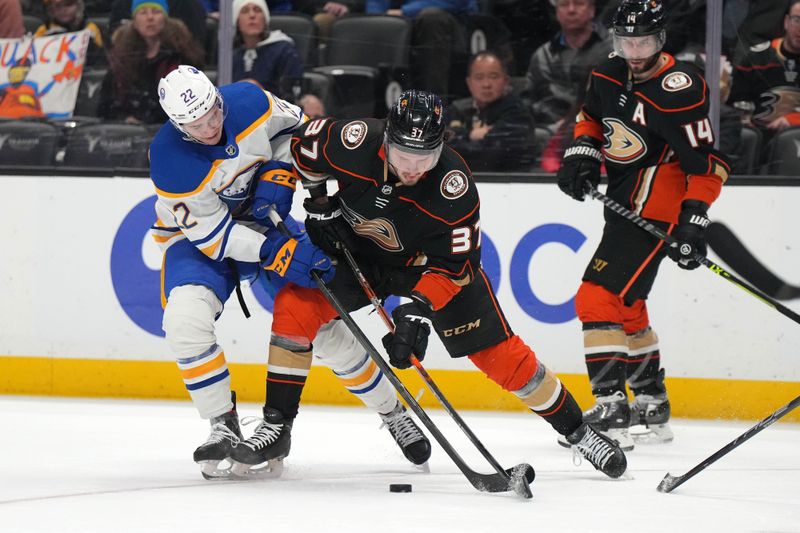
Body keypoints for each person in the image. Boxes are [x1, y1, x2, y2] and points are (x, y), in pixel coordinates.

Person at [233, 89, 629, 479]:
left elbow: (455, 266)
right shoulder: (351, 139)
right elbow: (304, 150)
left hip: (429, 269)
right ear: (386, 139)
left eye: (425, 157)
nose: (412, 168)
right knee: (294, 307)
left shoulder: (453, 188)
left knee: (501, 356)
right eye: (404, 155)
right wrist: (319, 204)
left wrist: (416, 310)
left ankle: (578, 432)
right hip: (361, 255)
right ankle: (277, 428)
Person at [149, 66, 430, 479]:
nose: (211, 126)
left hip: (265, 223)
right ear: (177, 124)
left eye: (213, 112)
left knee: (320, 326)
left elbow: (301, 132)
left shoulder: (249, 100)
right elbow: (214, 239)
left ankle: (393, 411)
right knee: (184, 321)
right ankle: (222, 425)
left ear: (218, 98)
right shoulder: (170, 160)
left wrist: (280, 172)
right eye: (197, 123)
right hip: (200, 241)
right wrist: (273, 251)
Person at [555, 0, 731, 450]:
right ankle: (651, 403)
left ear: (661, 40)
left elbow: (707, 164)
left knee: (595, 297)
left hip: (657, 210)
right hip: (622, 204)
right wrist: (581, 154)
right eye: (626, 41)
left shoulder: (680, 88)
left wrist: (692, 220)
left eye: (645, 41)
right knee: (627, 305)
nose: (634, 50)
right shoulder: (606, 73)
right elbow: (590, 119)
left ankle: (611, 404)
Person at [98, 0, 204, 124]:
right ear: (134, 21)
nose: (150, 18)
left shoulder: (182, 56)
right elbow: (106, 105)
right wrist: (124, 119)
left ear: (165, 18)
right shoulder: (121, 57)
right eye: (143, 13)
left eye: (156, 12)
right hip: (127, 132)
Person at [366, 0, 476, 102]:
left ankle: (433, 106)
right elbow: (375, 5)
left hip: (450, 22)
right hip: (405, 23)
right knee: (376, 23)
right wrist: (377, 16)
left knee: (432, 18)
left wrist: (405, 11)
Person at [523, 0, 611, 127]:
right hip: (548, 133)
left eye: (579, 4)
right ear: (557, 12)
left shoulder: (615, 50)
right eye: (564, 4)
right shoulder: (543, 55)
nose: (571, 10)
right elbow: (527, 101)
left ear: (592, 10)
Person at [447, 51, 536, 172]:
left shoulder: (517, 113)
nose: (486, 84)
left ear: (506, 81)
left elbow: (488, 156)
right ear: (469, 83)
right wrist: (470, 135)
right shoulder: (457, 109)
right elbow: (438, 146)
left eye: (494, 77)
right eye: (479, 77)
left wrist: (459, 137)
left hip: (508, 182)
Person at [727, 0, 800, 145]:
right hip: (759, 138)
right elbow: (735, 105)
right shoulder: (756, 59)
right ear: (786, 22)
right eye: (797, 20)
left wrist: (792, 120)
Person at [232, 0, 303, 100]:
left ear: (265, 18)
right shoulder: (231, 55)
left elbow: (291, 94)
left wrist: (260, 94)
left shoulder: (284, 50)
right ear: (237, 21)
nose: (252, 15)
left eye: (257, 10)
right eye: (245, 11)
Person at [34, 0, 107, 67]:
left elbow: (100, 57)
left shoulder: (90, 28)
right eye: (58, 6)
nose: (64, 10)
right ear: (51, 10)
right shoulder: (44, 30)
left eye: (68, 5)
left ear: (78, 6)